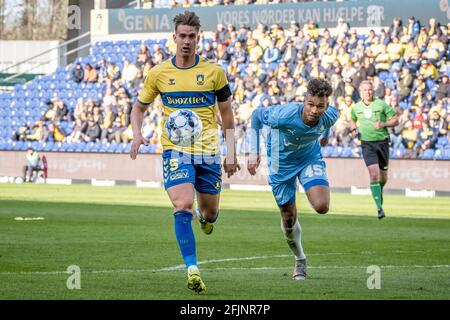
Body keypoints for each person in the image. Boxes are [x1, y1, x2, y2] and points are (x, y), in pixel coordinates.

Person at [129, 11, 239, 294]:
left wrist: (231, 153)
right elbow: (139, 107)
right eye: (182, 36)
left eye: (192, 36)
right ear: (174, 38)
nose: (187, 41)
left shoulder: (215, 72)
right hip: (176, 151)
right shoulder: (159, 73)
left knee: (210, 212)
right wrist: (138, 133)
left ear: (198, 38)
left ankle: (207, 219)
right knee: (182, 205)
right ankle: (192, 269)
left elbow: (227, 114)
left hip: (208, 153)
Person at [247, 78, 338, 281]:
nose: (315, 110)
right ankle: (300, 259)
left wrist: (324, 135)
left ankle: (300, 258)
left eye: (320, 106)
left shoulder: (330, 116)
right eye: (311, 104)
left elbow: (328, 124)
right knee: (288, 217)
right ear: (304, 100)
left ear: (327, 106)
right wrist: (253, 151)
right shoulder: (283, 114)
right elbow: (256, 116)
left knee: (322, 206)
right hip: (280, 162)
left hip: (308, 157)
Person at [349, 80, 399, 219]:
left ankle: (379, 190)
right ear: (360, 92)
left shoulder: (381, 104)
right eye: (365, 90)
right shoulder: (356, 107)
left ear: (373, 91)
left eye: (370, 90)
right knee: (374, 175)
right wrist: (353, 129)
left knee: (383, 176)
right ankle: (379, 208)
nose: (368, 92)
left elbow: (395, 120)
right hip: (367, 144)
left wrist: (383, 123)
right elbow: (352, 120)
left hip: (382, 143)